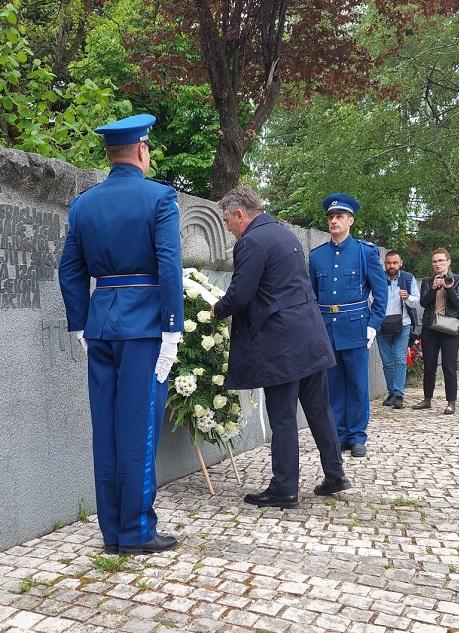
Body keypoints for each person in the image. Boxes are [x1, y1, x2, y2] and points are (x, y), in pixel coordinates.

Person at [58, 113, 184, 555]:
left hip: (101, 325)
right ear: (142, 151)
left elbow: (70, 269)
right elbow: (169, 267)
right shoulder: (159, 198)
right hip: (144, 327)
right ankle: (135, 532)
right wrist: (172, 328)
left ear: (111, 155)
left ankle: (112, 530)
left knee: (106, 429)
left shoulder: (83, 204)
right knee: (138, 428)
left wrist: (79, 324)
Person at [211, 186, 348, 510]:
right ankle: (335, 473)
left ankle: (285, 488)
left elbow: (241, 293)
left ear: (240, 214)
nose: (229, 227)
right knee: (319, 409)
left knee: (283, 416)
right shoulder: (283, 234)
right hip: (310, 334)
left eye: (228, 220)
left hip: (282, 343)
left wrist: (216, 308)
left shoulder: (252, 241)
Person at [308, 194, 388, 457]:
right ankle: (338, 434)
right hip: (326, 327)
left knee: (357, 383)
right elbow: (311, 295)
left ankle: (357, 435)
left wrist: (373, 324)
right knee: (331, 383)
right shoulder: (317, 256)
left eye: (340, 217)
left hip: (356, 327)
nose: (334, 221)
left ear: (350, 220)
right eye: (331, 217)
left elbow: (380, 292)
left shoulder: (365, 253)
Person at [412, 248, 459, 414]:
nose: (437, 264)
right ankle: (427, 399)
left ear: (448, 261)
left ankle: (451, 402)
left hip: (450, 326)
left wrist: (448, 287)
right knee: (429, 365)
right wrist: (434, 289)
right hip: (430, 327)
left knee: (449, 365)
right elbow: (423, 303)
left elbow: (457, 303)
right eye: (434, 261)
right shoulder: (428, 281)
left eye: (441, 260)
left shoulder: (458, 279)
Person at [376, 250, 420, 408]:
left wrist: (407, 297)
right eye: (389, 263)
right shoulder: (378, 277)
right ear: (385, 263)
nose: (391, 266)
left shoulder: (408, 278)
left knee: (400, 360)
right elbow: (369, 299)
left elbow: (416, 301)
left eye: (395, 263)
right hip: (382, 324)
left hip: (403, 323)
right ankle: (392, 393)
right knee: (387, 361)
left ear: (401, 263)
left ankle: (399, 394)